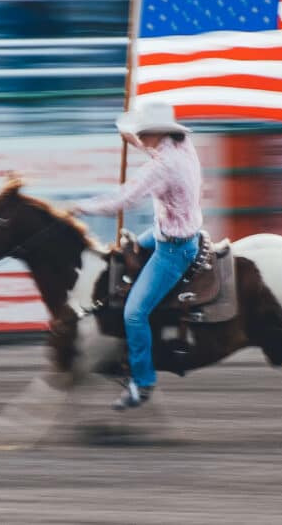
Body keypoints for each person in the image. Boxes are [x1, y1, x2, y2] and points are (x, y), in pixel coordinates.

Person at [69, 101, 204, 411]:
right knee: (123, 257)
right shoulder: (180, 147)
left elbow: (125, 199)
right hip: (170, 232)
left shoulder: (163, 167)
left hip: (174, 248)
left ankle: (142, 382)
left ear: (157, 132)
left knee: (134, 312)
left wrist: (82, 206)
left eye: (144, 133)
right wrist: (129, 134)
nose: (140, 138)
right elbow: (151, 151)